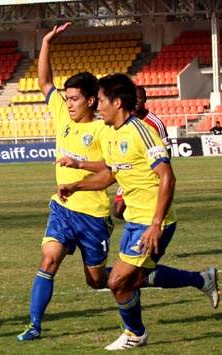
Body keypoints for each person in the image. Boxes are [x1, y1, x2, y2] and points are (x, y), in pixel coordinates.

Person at [57, 73, 219, 350]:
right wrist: (76, 186)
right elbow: (109, 174)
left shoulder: (142, 132)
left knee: (118, 281)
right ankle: (201, 279)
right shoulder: (109, 132)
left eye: (103, 101)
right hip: (134, 220)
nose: (98, 107)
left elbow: (167, 177)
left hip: (154, 222)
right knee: (136, 278)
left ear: (117, 102)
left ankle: (135, 334)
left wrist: (156, 224)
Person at [17, 22, 114, 342]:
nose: (68, 103)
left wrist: (79, 165)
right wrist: (46, 42)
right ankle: (34, 325)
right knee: (49, 258)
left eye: (74, 98)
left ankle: (134, 280)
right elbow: (44, 81)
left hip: (94, 215)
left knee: (98, 281)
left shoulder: (105, 131)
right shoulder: (62, 116)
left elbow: (111, 168)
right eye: (67, 97)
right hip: (63, 209)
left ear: (90, 100)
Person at [111, 86, 172, 219]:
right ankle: (138, 221)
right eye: (135, 98)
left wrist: (157, 169)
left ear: (145, 99)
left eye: (140, 98)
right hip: (130, 172)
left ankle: (143, 224)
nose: (137, 101)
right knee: (117, 211)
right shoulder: (126, 120)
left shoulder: (155, 123)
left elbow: (168, 149)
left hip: (149, 174)